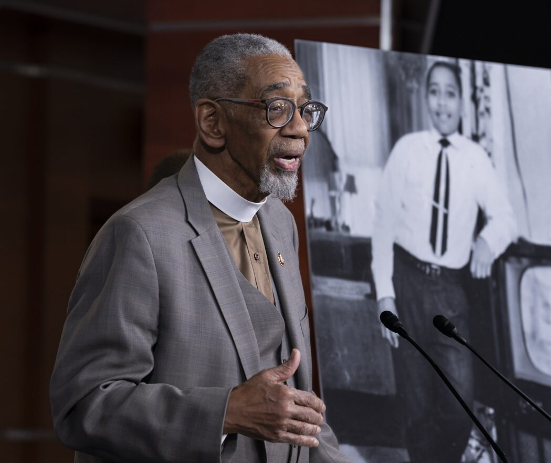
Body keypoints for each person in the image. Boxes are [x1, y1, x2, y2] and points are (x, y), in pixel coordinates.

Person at [50, 33, 350, 463]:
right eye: (277, 107)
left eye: (304, 109)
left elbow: (295, 407)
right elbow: (83, 404)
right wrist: (226, 411)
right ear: (212, 122)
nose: (300, 128)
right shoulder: (140, 233)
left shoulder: (281, 223)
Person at [371, 61, 517, 462]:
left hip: (451, 290)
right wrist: (385, 295)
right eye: (434, 91)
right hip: (406, 282)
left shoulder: (476, 159)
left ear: (462, 103)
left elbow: (506, 217)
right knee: (416, 408)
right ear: (426, 97)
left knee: (459, 404)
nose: (442, 102)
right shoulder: (406, 151)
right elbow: (382, 224)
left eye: (450, 93)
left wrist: (487, 243)